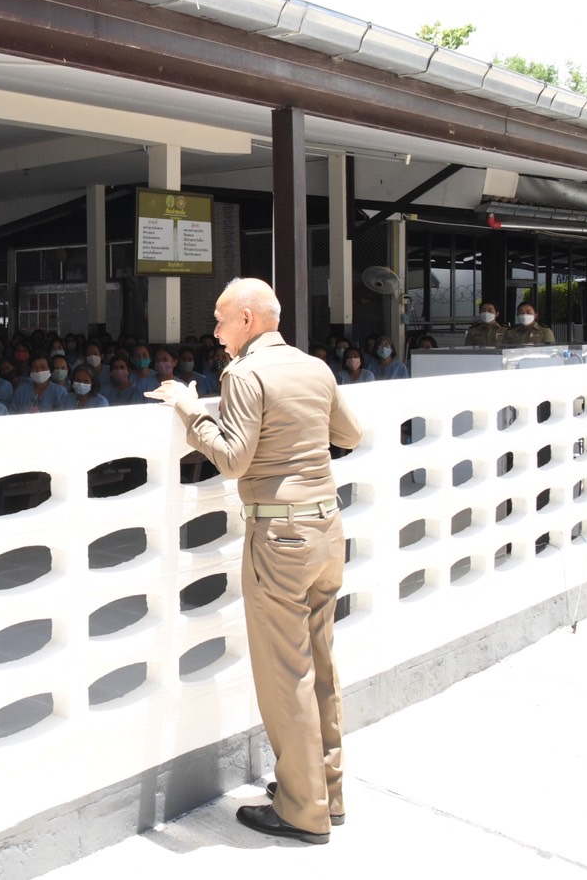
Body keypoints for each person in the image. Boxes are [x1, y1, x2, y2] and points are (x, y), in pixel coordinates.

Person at [152, 278, 361, 844]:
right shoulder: (314, 367)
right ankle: (327, 793)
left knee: (286, 676)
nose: (216, 332)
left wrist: (190, 410)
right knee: (321, 666)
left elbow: (233, 459)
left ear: (247, 319)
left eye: (221, 320)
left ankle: (302, 810)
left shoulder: (244, 374)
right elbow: (350, 433)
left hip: (280, 536)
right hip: (326, 527)